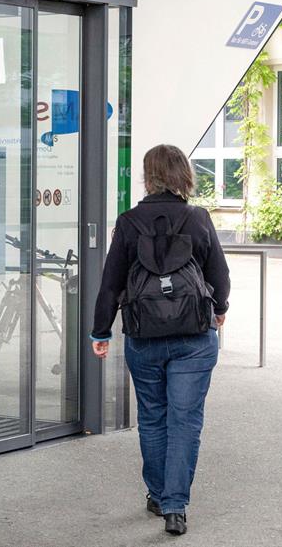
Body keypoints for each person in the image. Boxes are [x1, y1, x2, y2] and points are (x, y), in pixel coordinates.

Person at [90, 144, 230, 536]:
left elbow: (111, 283)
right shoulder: (198, 218)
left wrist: (101, 330)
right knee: (185, 420)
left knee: (152, 418)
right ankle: (175, 506)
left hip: (144, 335)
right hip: (194, 337)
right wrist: (219, 308)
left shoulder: (129, 222)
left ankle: (156, 493)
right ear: (184, 174)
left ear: (148, 176)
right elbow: (219, 274)